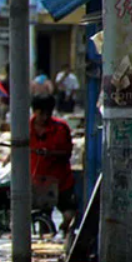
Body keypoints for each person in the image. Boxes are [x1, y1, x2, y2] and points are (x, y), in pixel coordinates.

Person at [30, 94, 77, 233]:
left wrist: (50, 153)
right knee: (43, 217)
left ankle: (66, 235)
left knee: (70, 215)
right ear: (35, 111)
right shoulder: (26, 127)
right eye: (41, 114)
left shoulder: (61, 128)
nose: (44, 117)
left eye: (48, 114)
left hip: (61, 179)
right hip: (38, 181)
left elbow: (67, 152)